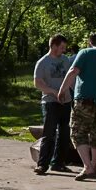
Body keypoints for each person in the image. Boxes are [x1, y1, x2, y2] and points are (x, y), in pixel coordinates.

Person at [58, 33, 96, 181]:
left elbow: (73, 71)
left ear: (90, 42)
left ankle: (87, 166)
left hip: (85, 100)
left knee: (78, 131)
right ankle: (93, 168)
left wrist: (62, 89)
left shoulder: (85, 52)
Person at [33, 34, 73, 175]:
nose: (63, 50)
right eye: (61, 47)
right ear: (54, 46)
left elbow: (71, 78)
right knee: (49, 134)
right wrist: (53, 92)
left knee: (64, 134)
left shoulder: (66, 60)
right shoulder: (43, 62)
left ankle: (58, 163)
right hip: (50, 102)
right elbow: (38, 83)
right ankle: (42, 164)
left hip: (66, 101)